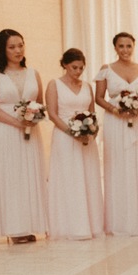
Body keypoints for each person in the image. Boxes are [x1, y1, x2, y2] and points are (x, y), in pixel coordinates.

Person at [0, 29, 48, 244]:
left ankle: (31, 224)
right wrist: (16, 122)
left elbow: (40, 103)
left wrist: (34, 117)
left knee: (30, 174)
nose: (18, 50)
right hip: (5, 131)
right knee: (11, 176)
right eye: (12, 47)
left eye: (20, 45)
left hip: (30, 131)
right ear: (2, 50)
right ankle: (14, 228)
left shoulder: (33, 73)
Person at [95, 32, 138, 236]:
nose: (125, 50)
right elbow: (99, 97)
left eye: (129, 46)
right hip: (116, 122)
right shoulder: (106, 70)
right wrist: (116, 110)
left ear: (134, 46)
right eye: (121, 46)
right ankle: (120, 221)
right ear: (115, 48)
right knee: (118, 166)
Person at [46, 48, 103, 240]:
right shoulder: (54, 85)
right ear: (64, 65)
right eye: (74, 67)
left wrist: (92, 131)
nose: (78, 71)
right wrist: (73, 132)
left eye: (81, 68)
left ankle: (91, 224)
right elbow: (52, 114)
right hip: (65, 136)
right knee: (69, 178)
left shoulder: (87, 86)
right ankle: (70, 226)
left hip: (86, 138)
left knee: (88, 178)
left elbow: (92, 112)